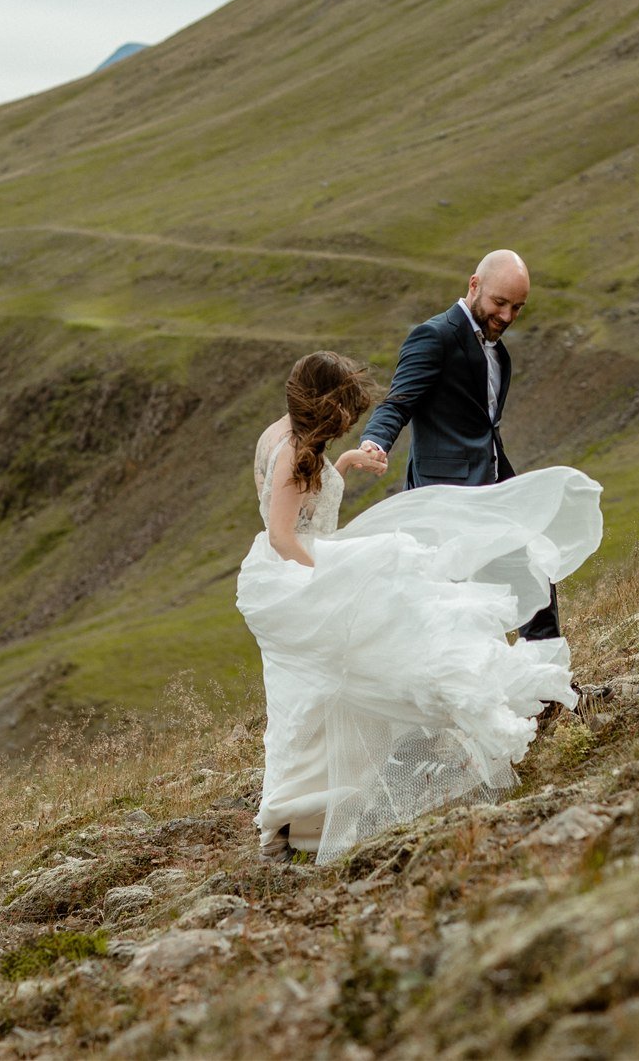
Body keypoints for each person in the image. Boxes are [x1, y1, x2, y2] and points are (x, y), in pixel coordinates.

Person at [237, 350, 600, 863]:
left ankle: (302, 816)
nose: (349, 419)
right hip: (297, 574)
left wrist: (341, 465)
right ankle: (304, 815)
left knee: (313, 695)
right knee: (352, 665)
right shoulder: (296, 454)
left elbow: (299, 500)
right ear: (324, 404)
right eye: (344, 409)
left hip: (286, 573)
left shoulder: (281, 435)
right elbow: (282, 535)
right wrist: (335, 580)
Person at [358, 249, 564, 641]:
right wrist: (374, 442)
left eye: (517, 308)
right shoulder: (434, 336)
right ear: (474, 285)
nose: (506, 316)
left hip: (493, 483)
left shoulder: (499, 351)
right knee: (453, 607)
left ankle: (548, 683)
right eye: (499, 303)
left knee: (534, 569)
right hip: (444, 498)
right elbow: (398, 402)